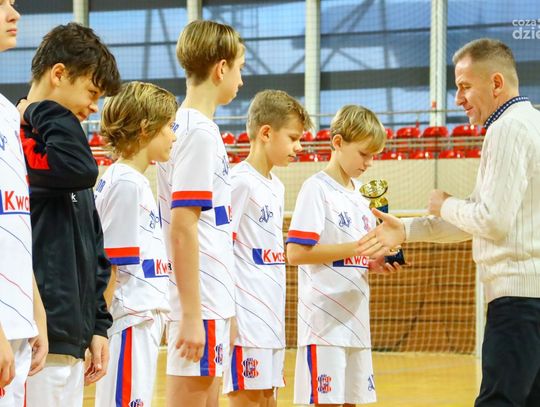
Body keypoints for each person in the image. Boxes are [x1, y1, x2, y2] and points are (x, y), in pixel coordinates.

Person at [371, 38, 540, 406]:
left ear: (496, 83)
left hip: (518, 303)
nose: (458, 98)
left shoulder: (507, 128)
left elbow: (491, 221)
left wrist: (444, 204)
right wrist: (406, 230)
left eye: (464, 86)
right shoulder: (533, 123)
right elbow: (481, 219)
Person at [17, 22, 121, 406]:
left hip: (72, 344)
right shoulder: (16, 138)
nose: (94, 107)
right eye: (92, 92)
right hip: (31, 340)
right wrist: (41, 108)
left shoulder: (63, 144)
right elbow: (78, 168)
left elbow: (93, 247)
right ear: (58, 74)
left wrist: (98, 325)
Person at [286, 105, 400, 406]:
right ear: (337, 142)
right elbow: (295, 253)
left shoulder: (363, 194)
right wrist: (358, 247)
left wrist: (374, 262)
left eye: (374, 155)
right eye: (364, 154)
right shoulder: (316, 189)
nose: (370, 163)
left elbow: (356, 254)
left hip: (357, 322)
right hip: (324, 323)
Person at [156, 20, 244, 407]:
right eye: (239, 68)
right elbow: (182, 227)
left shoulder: (198, 127)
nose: (241, 79)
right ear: (221, 68)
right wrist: (192, 314)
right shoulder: (197, 131)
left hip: (211, 299)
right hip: (200, 300)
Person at [223, 90, 312, 406]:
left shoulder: (277, 186)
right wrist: (229, 314)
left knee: (267, 399)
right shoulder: (238, 181)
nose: (299, 147)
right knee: (247, 398)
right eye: (293, 138)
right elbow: (221, 248)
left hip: (272, 319)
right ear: (265, 133)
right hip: (246, 320)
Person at [93, 81, 177, 407]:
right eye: (168, 126)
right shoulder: (126, 183)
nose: (173, 136)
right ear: (145, 128)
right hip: (129, 319)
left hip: (140, 319)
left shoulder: (132, 180)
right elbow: (110, 267)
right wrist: (99, 329)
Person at [0, 2, 47, 405]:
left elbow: (14, 222)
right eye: (0, 4)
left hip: (17, 323)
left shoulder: (6, 112)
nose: (14, 14)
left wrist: (36, 311)